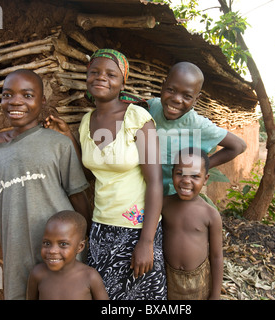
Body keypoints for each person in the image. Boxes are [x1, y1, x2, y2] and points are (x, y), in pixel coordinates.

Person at [0, 69, 91, 300]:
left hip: (61, 248)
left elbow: (77, 194)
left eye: (27, 95)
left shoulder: (57, 143)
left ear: (42, 100)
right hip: (17, 247)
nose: (15, 101)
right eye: (7, 95)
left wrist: (90, 238)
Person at [50, 48, 166, 300]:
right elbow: (89, 173)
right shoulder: (86, 121)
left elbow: (156, 181)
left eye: (111, 74)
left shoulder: (137, 117)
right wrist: (68, 137)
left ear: (122, 81)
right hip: (101, 227)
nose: (101, 78)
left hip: (138, 228)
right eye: (95, 72)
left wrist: (146, 242)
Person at [147, 61, 247, 195]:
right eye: (171, 90)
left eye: (187, 96)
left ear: (196, 99)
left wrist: (201, 168)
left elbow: (239, 146)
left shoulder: (198, 125)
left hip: (174, 196)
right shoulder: (151, 107)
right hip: (143, 191)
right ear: (163, 85)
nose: (177, 99)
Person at [162, 147, 223, 300]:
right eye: (180, 173)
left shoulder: (210, 214)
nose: (186, 180)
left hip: (198, 282)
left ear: (206, 179)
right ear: (172, 174)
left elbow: (216, 257)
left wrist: (215, 295)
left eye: (195, 176)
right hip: (165, 277)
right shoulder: (164, 205)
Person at [26, 210, 108, 300]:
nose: (52, 251)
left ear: (80, 247)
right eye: (47, 243)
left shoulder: (90, 277)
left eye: (63, 244)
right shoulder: (37, 274)